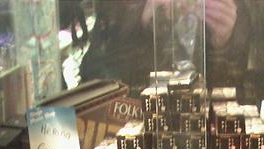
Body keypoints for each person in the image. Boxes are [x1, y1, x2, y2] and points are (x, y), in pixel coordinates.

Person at [79, 0, 249, 89]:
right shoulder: (123, 7)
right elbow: (93, 77)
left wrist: (223, 45)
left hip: (207, 127)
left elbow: (246, 86)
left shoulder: (233, 8)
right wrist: (143, 24)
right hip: (141, 124)